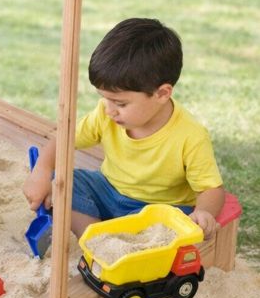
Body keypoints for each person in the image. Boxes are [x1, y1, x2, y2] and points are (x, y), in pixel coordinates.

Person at [23, 18, 224, 239]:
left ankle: (108, 238)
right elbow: (66, 139)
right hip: (108, 189)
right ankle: (93, 238)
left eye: (120, 103)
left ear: (162, 94)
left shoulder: (190, 136)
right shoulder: (105, 113)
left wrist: (204, 212)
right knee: (63, 182)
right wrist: (42, 170)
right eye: (105, 98)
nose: (109, 110)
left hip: (157, 208)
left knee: (165, 223)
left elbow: (210, 189)